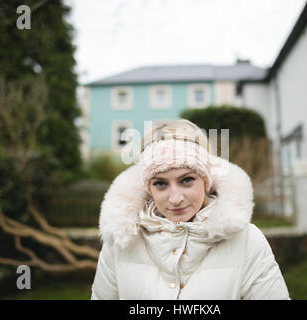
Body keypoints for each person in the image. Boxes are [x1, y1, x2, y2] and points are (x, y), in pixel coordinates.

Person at [91, 119, 290, 300]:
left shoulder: (247, 240)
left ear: (205, 179)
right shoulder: (120, 240)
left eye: (187, 180)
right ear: (148, 187)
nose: (175, 199)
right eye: (160, 184)